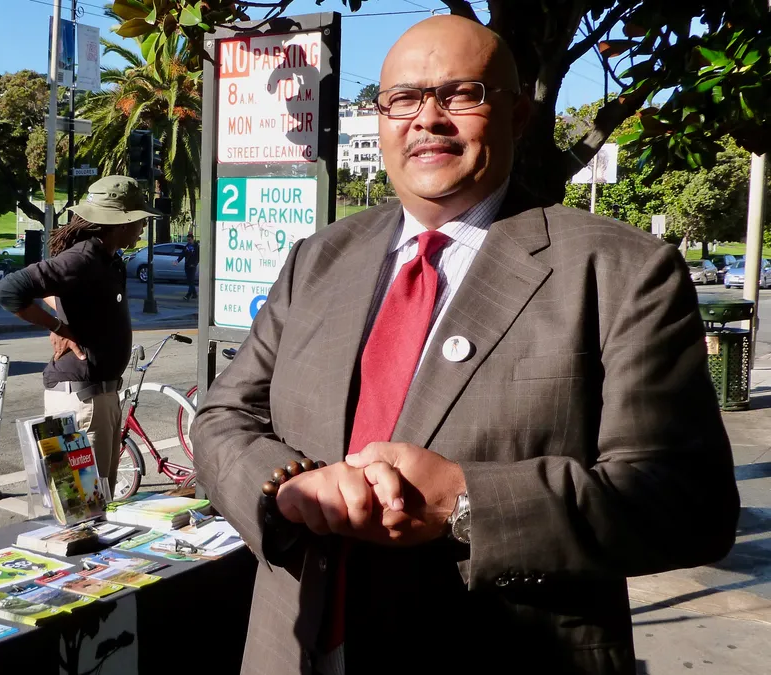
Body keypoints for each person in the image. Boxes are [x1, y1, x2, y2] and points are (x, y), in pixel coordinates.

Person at [191, 15, 738, 675]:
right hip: (295, 647)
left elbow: (688, 504)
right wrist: (284, 487)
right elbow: (224, 418)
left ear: (517, 115)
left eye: (461, 94)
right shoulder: (319, 258)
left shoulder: (621, 271)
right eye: (403, 99)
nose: (427, 119)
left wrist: (464, 500)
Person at [0, 176, 155, 495]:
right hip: (81, 399)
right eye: (139, 219)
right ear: (119, 223)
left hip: (100, 396)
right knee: (80, 505)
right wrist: (58, 327)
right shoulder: (82, 260)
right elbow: (7, 291)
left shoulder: (106, 260)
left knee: (101, 499)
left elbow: (60, 292)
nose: (143, 227)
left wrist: (61, 313)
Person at [173, 232, 199, 300]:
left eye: (190, 240)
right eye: (188, 240)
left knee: (191, 281)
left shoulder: (196, 246)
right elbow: (182, 254)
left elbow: (198, 257)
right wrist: (177, 261)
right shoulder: (187, 246)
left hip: (192, 266)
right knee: (189, 281)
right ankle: (195, 294)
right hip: (187, 265)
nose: (189, 241)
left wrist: (194, 264)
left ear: (193, 239)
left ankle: (188, 295)